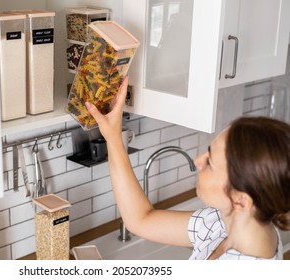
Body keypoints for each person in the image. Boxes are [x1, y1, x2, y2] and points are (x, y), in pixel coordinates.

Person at [85, 76, 290, 260]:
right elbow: (141, 220)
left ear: (241, 199)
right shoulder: (227, 224)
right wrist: (113, 136)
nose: (198, 161)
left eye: (210, 162)